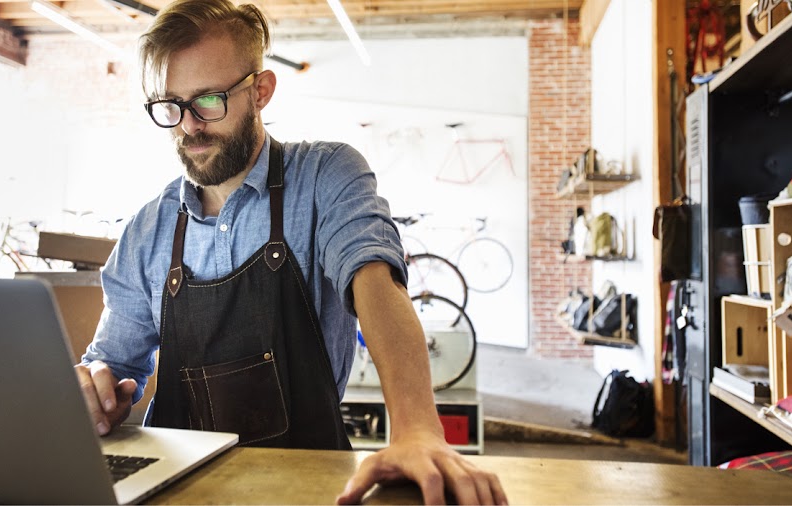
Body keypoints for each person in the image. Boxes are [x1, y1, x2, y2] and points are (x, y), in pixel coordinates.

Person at [74, 0, 507, 504]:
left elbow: (375, 281)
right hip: (176, 490)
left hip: (312, 484)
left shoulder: (325, 176)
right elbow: (111, 363)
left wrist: (417, 430)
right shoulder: (147, 230)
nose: (189, 126)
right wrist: (93, 393)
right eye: (171, 106)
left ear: (260, 92)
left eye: (209, 101)